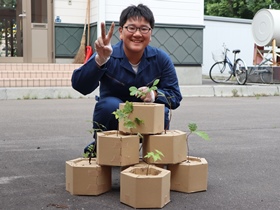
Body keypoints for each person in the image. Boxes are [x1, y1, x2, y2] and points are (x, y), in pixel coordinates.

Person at [71, 4, 182, 154]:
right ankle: (103, 147)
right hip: (113, 120)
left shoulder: (161, 59)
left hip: (146, 121)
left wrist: (154, 95)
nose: (137, 34)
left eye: (144, 29)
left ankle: (153, 153)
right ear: (121, 32)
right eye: (131, 28)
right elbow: (80, 86)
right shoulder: (107, 54)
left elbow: (175, 96)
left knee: (161, 111)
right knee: (109, 105)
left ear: (151, 34)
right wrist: (100, 60)